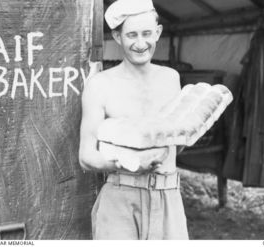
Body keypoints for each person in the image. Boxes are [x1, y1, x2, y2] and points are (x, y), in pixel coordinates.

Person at [79, 0, 189, 240]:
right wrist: (127, 163)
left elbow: (174, 146)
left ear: (158, 33)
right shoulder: (100, 85)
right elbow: (86, 156)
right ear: (117, 37)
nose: (141, 44)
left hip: (168, 195)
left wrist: (190, 132)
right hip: (120, 198)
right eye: (132, 35)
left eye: (147, 33)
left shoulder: (171, 79)